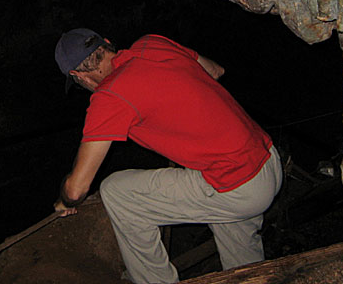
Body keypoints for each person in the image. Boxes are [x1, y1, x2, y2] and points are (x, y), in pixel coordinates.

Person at [53, 28, 283, 283]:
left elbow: (76, 190)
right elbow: (215, 71)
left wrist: (65, 201)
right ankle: (253, 277)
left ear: (77, 75)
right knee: (231, 226)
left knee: (117, 193)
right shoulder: (151, 44)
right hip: (268, 159)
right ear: (106, 43)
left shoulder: (109, 97)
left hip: (240, 185)